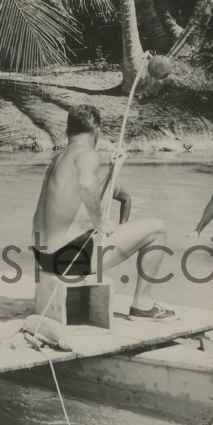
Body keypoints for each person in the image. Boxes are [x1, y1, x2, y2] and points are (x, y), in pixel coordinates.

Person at [32, 104, 175, 320]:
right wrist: (100, 222)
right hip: (68, 260)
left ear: (67, 130)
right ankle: (142, 305)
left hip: (43, 256)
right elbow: (87, 184)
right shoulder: (87, 154)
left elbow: (86, 196)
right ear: (96, 130)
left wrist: (113, 171)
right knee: (158, 229)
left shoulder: (59, 159)